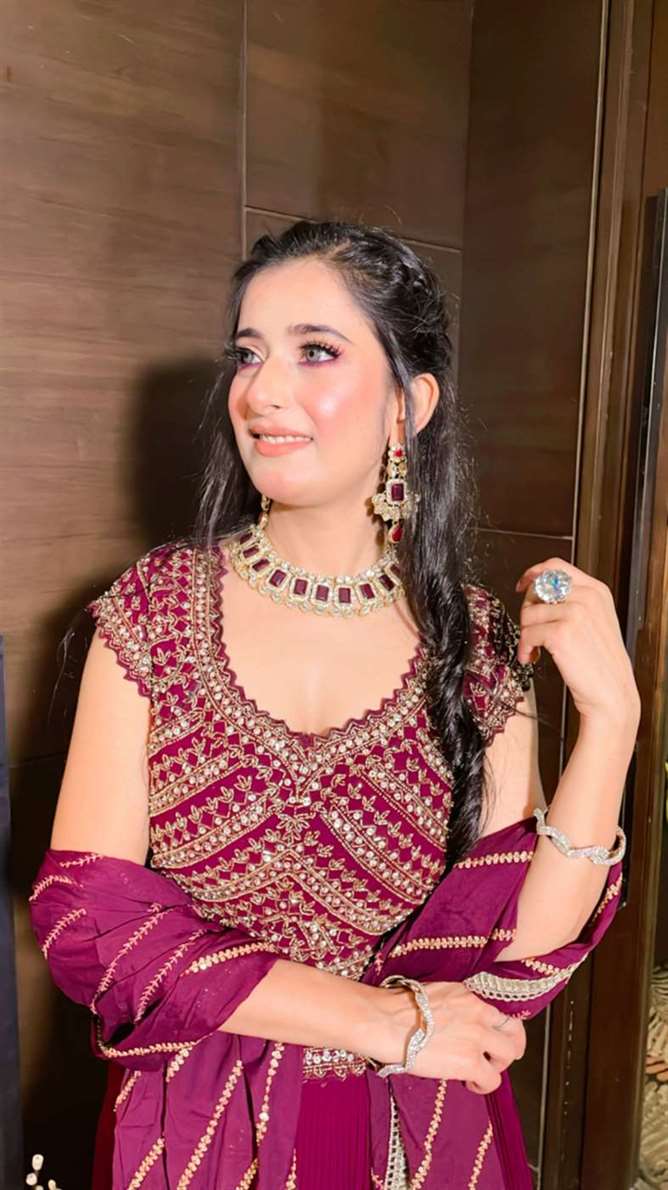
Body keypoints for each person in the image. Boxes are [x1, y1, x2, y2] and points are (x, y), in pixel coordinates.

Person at [29, 219, 640, 1189]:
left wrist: (611, 724)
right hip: (199, 1124)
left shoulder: (474, 643)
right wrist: (377, 1019)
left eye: (313, 350)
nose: (260, 390)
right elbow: (90, 921)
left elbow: (512, 958)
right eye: (248, 354)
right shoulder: (155, 614)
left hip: (418, 1133)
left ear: (409, 404)